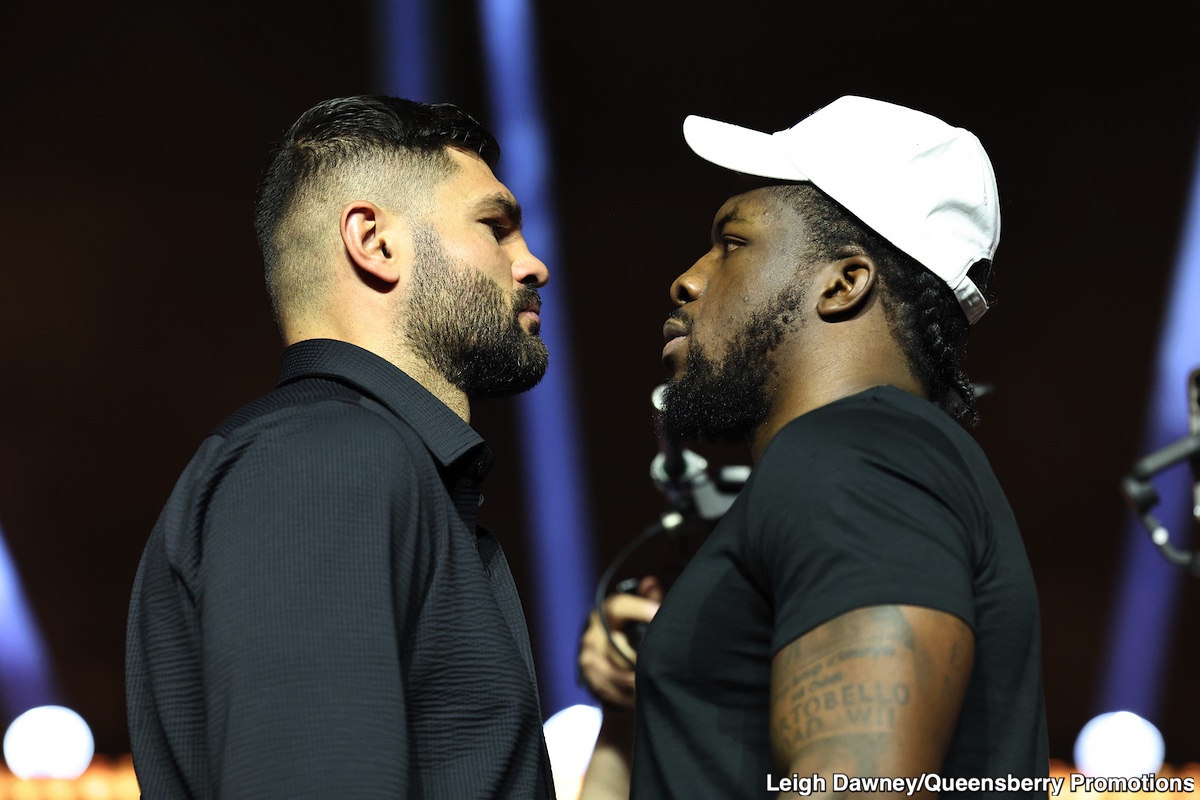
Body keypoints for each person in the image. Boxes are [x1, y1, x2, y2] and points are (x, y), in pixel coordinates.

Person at [578, 96, 1047, 798]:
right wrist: (635, 707)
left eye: (732, 243)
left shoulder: (855, 454)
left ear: (843, 283)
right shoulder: (858, 460)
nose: (688, 279)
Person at [126, 96, 556, 798]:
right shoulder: (325, 459)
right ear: (375, 241)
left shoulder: (353, 461)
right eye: (496, 227)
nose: (533, 264)